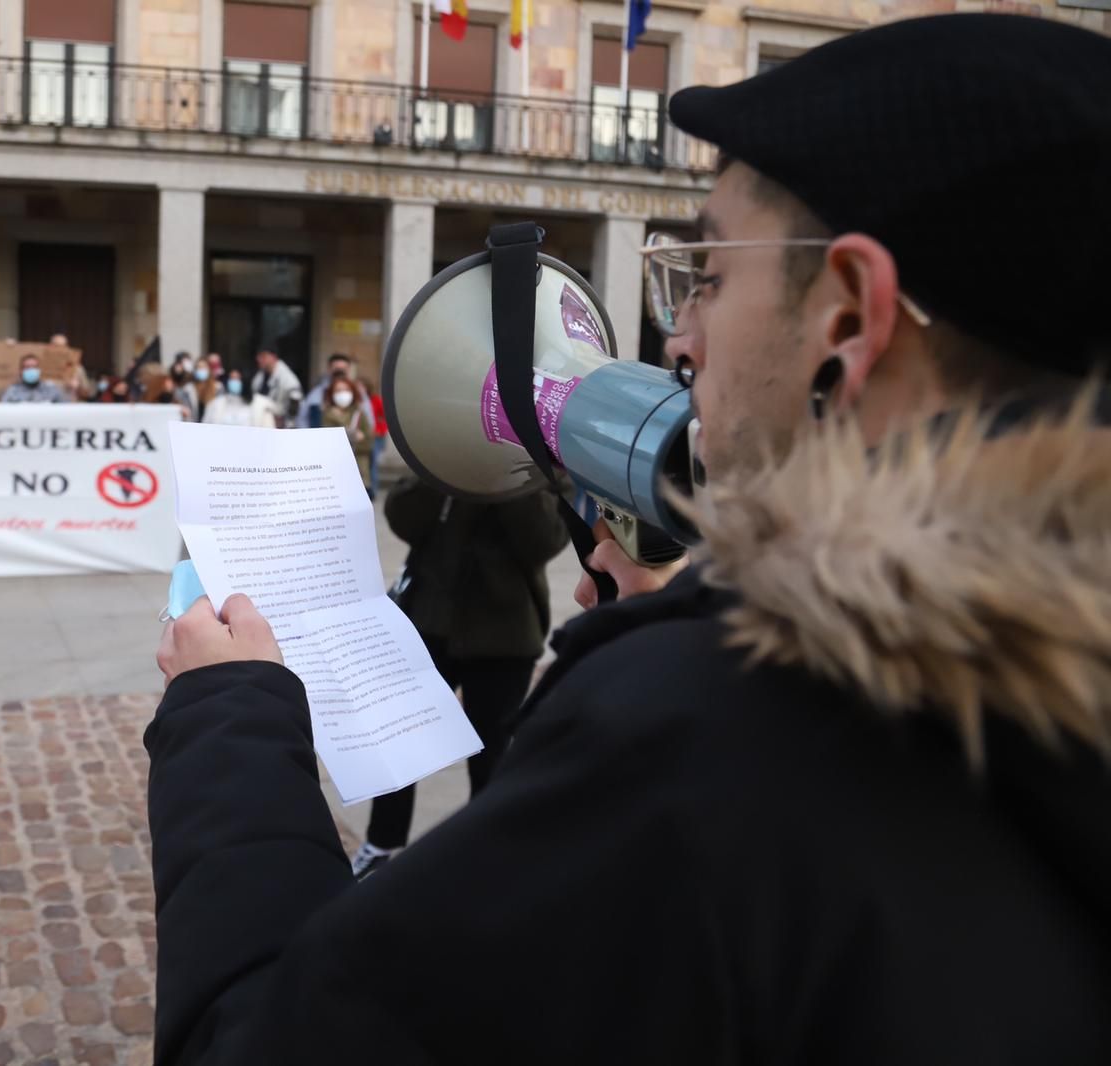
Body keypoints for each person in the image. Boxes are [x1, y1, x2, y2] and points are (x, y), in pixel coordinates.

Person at [144, 16, 1111, 1064]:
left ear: (848, 316)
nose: (681, 334)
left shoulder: (702, 745)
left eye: (706, 275)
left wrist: (228, 710)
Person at [350, 479, 568, 877]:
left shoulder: (535, 460)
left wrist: (500, 480)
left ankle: (486, 855)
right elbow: (403, 517)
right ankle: (382, 842)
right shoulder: (437, 451)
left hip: (505, 636)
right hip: (429, 621)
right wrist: (445, 475)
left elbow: (545, 539)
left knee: (492, 754)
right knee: (401, 740)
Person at [319, 374, 375, 495]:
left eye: (346, 390)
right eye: (338, 391)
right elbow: (329, 442)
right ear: (332, 394)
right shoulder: (327, 415)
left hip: (360, 473)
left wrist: (348, 438)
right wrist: (354, 435)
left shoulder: (360, 414)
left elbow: (368, 442)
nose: (342, 394)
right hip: (336, 473)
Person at [250, 349, 303, 428]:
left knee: (259, 402)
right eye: (259, 357)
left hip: (283, 418)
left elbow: (296, 398)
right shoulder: (261, 374)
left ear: (273, 357)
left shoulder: (285, 374)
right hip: (269, 415)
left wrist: (287, 421)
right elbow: (254, 391)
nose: (259, 359)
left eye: (263, 356)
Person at [0, 353, 68, 403]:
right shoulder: (12, 391)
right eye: (27, 367)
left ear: (40, 370)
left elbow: (65, 408)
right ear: (21, 370)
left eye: (34, 367)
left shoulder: (51, 389)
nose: (31, 370)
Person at [364, 376, 388, 495]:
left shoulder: (375, 400)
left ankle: (373, 489)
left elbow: (384, 417)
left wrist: (380, 429)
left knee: (372, 463)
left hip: (376, 436)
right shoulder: (361, 401)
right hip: (366, 436)